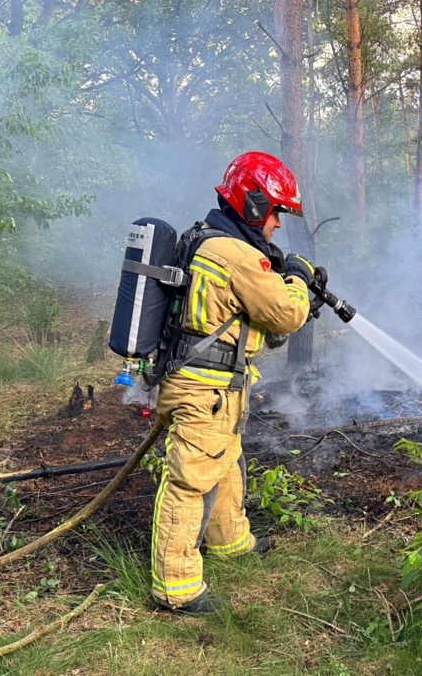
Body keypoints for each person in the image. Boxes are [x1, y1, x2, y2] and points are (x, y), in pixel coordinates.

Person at [151, 151, 317, 614]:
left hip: (212, 387)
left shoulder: (208, 240)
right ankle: (176, 587)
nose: (278, 224)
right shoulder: (234, 253)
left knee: (223, 462)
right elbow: (285, 313)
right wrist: (298, 280)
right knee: (191, 480)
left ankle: (229, 540)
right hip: (204, 390)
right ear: (256, 204)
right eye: (277, 212)